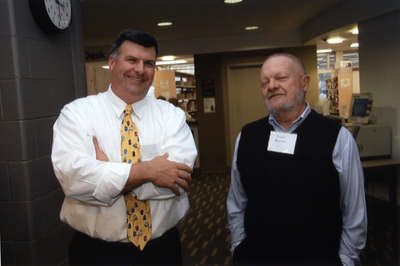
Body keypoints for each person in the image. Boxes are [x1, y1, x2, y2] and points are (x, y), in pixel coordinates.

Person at [51, 29, 197, 265]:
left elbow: (176, 181)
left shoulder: (172, 117)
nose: (140, 70)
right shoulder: (77, 114)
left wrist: (108, 173)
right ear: (112, 62)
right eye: (131, 60)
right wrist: (148, 171)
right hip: (96, 253)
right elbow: (74, 180)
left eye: (148, 63)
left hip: (162, 251)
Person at [227, 53, 367, 266]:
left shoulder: (337, 138)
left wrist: (345, 260)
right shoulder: (247, 136)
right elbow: (237, 202)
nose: (271, 86)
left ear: (305, 83)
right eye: (265, 82)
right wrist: (238, 246)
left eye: (281, 77)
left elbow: (354, 210)